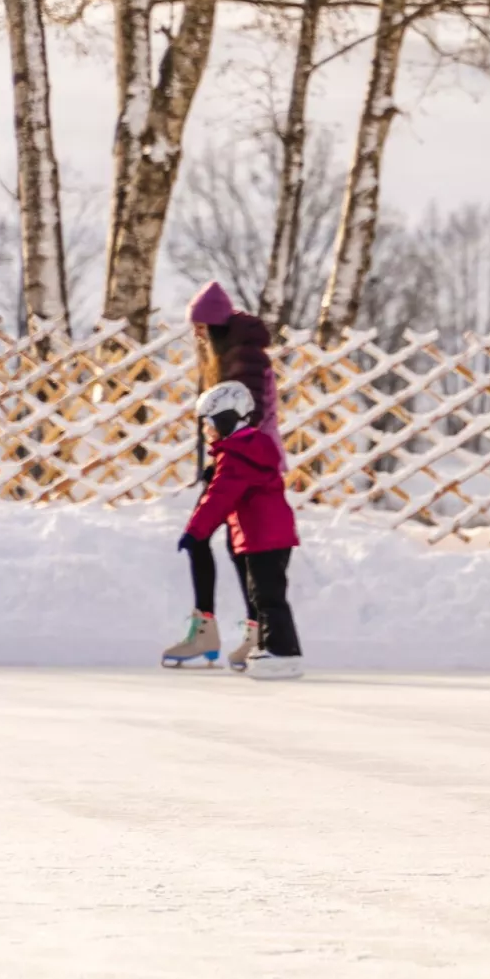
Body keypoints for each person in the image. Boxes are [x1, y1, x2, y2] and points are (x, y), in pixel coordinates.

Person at [162, 281, 285, 672]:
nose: (195, 334)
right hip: (241, 459)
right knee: (236, 546)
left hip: (246, 463)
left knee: (206, 538)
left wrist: (223, 460)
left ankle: (223, 629)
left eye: (200, 327)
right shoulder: (231, 353)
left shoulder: (243, 356)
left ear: (214, 325)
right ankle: (245, 630)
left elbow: (247, 413)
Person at [177, 382, 305, 681]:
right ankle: (270, 646)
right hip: (265, 535)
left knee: (268, 597)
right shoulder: (248, 448)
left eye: (209, 423)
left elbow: (219, 497)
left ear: (228, 418)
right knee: (264, 595)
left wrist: (195, 532)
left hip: (265, 537)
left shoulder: (238, 455)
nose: (206, 431)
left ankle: (283, 652)